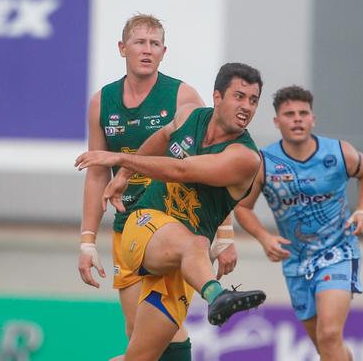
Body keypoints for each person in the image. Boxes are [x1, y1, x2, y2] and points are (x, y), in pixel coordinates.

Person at [75, 62, 266, 361]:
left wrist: (116, 158)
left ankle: (215, 296)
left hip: (181, 263)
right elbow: (162, 138)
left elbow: (181, 168)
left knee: (144, 357)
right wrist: (123, 175)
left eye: (253, 100)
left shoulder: (244, 157)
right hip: (144, 224)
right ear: (217, 97)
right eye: (239, 96)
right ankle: (217, 295)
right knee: (197, 243)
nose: (246, 106)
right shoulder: (188, 114)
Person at [234, 85, 363, 361]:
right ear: (277, 122)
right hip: (295, 261)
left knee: (329, 335)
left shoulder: (338, 152)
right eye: (289, 114)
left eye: (303, 113)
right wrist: (265, 238)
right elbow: (242, 207)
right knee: (325, 346)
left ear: (313, 118)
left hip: (338, 252)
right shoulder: (264, 162)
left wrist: (362, 210)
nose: (297, 119)